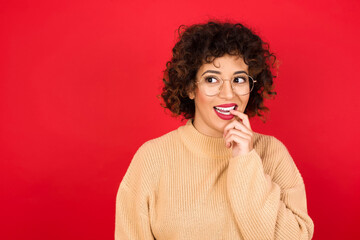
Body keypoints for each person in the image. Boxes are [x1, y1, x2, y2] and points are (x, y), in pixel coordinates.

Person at [115, 20, 314, 240]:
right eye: (212, 79)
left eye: (238, 79)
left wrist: (246, 162)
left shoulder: (273, 153)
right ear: (190, 88)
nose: (228, 94)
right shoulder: (152, 158)